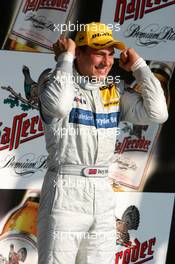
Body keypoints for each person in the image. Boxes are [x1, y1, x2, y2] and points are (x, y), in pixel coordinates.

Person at [37, 22, 168, 264]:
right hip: (65, 189)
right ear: (79, 53)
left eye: (111, 54)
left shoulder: (113, 90)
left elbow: (158, 113)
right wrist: (65, 58)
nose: (107, 61)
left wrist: (139, 66)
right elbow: (58, 106)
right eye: (99, 53)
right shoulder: (53, 80)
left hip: (102, 192)